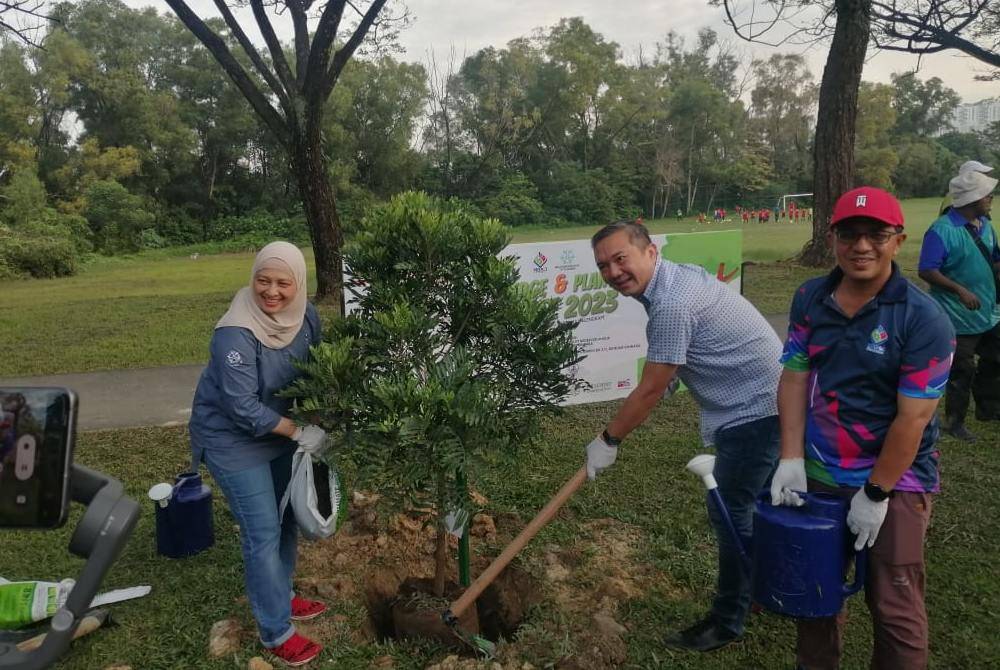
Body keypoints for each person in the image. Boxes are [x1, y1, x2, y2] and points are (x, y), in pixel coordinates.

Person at [773, 187, 954, 670]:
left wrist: (876, 494)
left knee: (894, 605)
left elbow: (913, 417)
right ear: (832, 238)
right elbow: (794, 375)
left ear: (898, 240)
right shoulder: (810, 296)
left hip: (897, 480)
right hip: (821, 473)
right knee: (816, 592)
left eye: (876, 234)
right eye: (849, 234)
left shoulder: (924, 318)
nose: (861, 246)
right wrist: (791, 457)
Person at [584, 220, 782, 652]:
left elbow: (653, 386)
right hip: (768, 404)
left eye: (621, 259)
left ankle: (729, 619)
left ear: (650, 252)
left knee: (731, 513)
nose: (613, 272)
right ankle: (765, 589)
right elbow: (672, 369)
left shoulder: (672, 304)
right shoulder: (676, 280)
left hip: (757, 412)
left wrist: (608, 439)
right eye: (603, 266)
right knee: (758, 508)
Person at [189, 241, 328, 667]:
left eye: (283, 282)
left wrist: (321, 415)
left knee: (287, 515)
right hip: (233, 440)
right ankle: (275, 630)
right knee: (262, 531)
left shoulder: (306, 316)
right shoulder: (235, 333)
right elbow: (242, 408)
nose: (272, 292)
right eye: (262, 281)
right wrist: (300, 430)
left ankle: (282, 593)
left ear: (298, 283)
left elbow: (320, 368)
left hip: (282, 435)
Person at [918, 170, 1000, 441]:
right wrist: (959, 290)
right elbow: (927, 270)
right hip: (958, 317)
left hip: (988, 312)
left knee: (995, 359)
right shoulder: (942, 230)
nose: (990, 197)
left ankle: (988, 409)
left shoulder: (986, 225)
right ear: (972, 198)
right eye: (986, 194)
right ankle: (955, 422)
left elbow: (994, 259)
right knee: (961, 371)